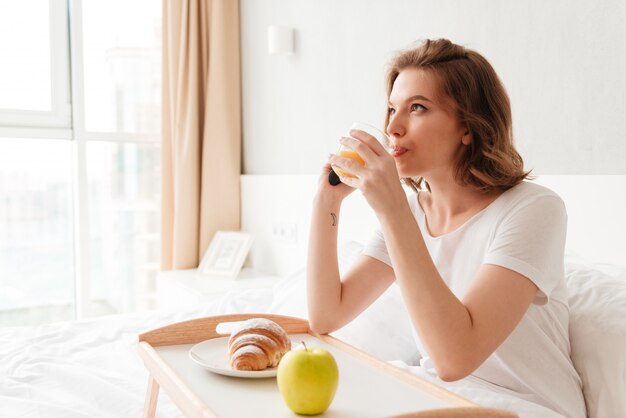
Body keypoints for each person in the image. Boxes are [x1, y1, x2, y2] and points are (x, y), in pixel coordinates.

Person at [307, 39, 586, 418]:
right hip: (440, 397)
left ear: (468, 127)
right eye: (392, 109)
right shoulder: (410, 212)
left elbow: (455, 358)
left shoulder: (534, 209)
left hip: (526, 406)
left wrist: (392, 212)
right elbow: (326, 315)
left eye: (417, 108)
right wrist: (326, 202)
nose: (392, 127)